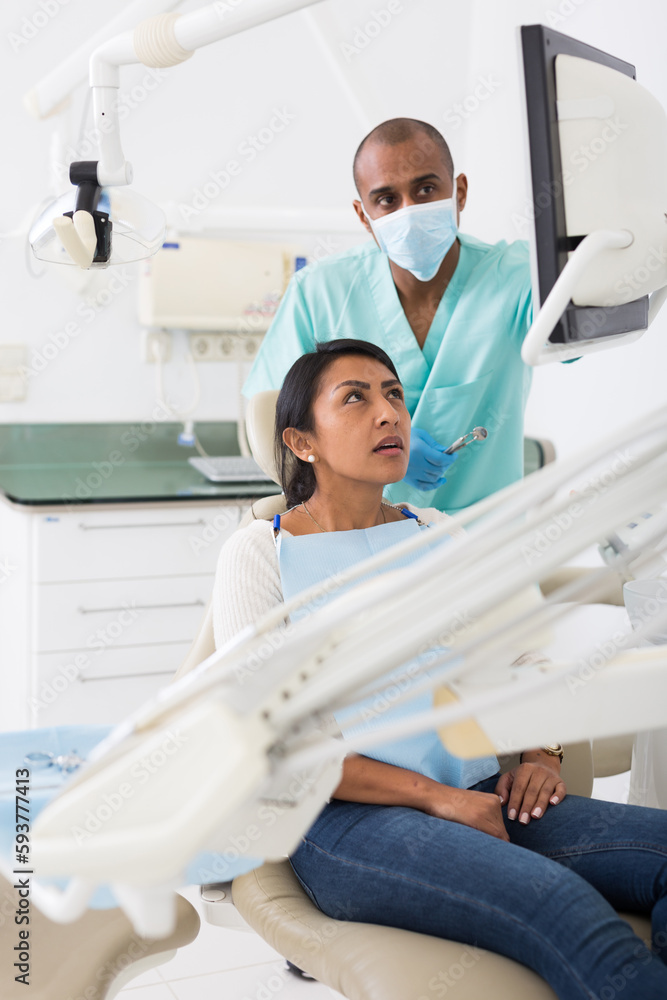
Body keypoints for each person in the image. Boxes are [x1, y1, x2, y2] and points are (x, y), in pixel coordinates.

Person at [214, 339, 667, 1000]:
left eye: (393, 395)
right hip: (347, 820)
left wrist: (539, 755)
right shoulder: (260, 552)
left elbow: (523, 658)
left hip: (484, 790)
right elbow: (266, 742)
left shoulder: (438, 534)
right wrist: (436, 798)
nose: (387, 414)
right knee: (564, 909)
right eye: (355, 398)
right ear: (301, 442)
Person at [243, 118, 533, 515]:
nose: (409, 211)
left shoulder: (516, 277)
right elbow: (276, 428)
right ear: (364, 216)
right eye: (387, 200)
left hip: (485, 544)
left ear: (459, 192)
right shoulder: (319, 293)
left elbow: (587, 323)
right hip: (363, 537)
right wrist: (373, 456)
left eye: (426, 189)